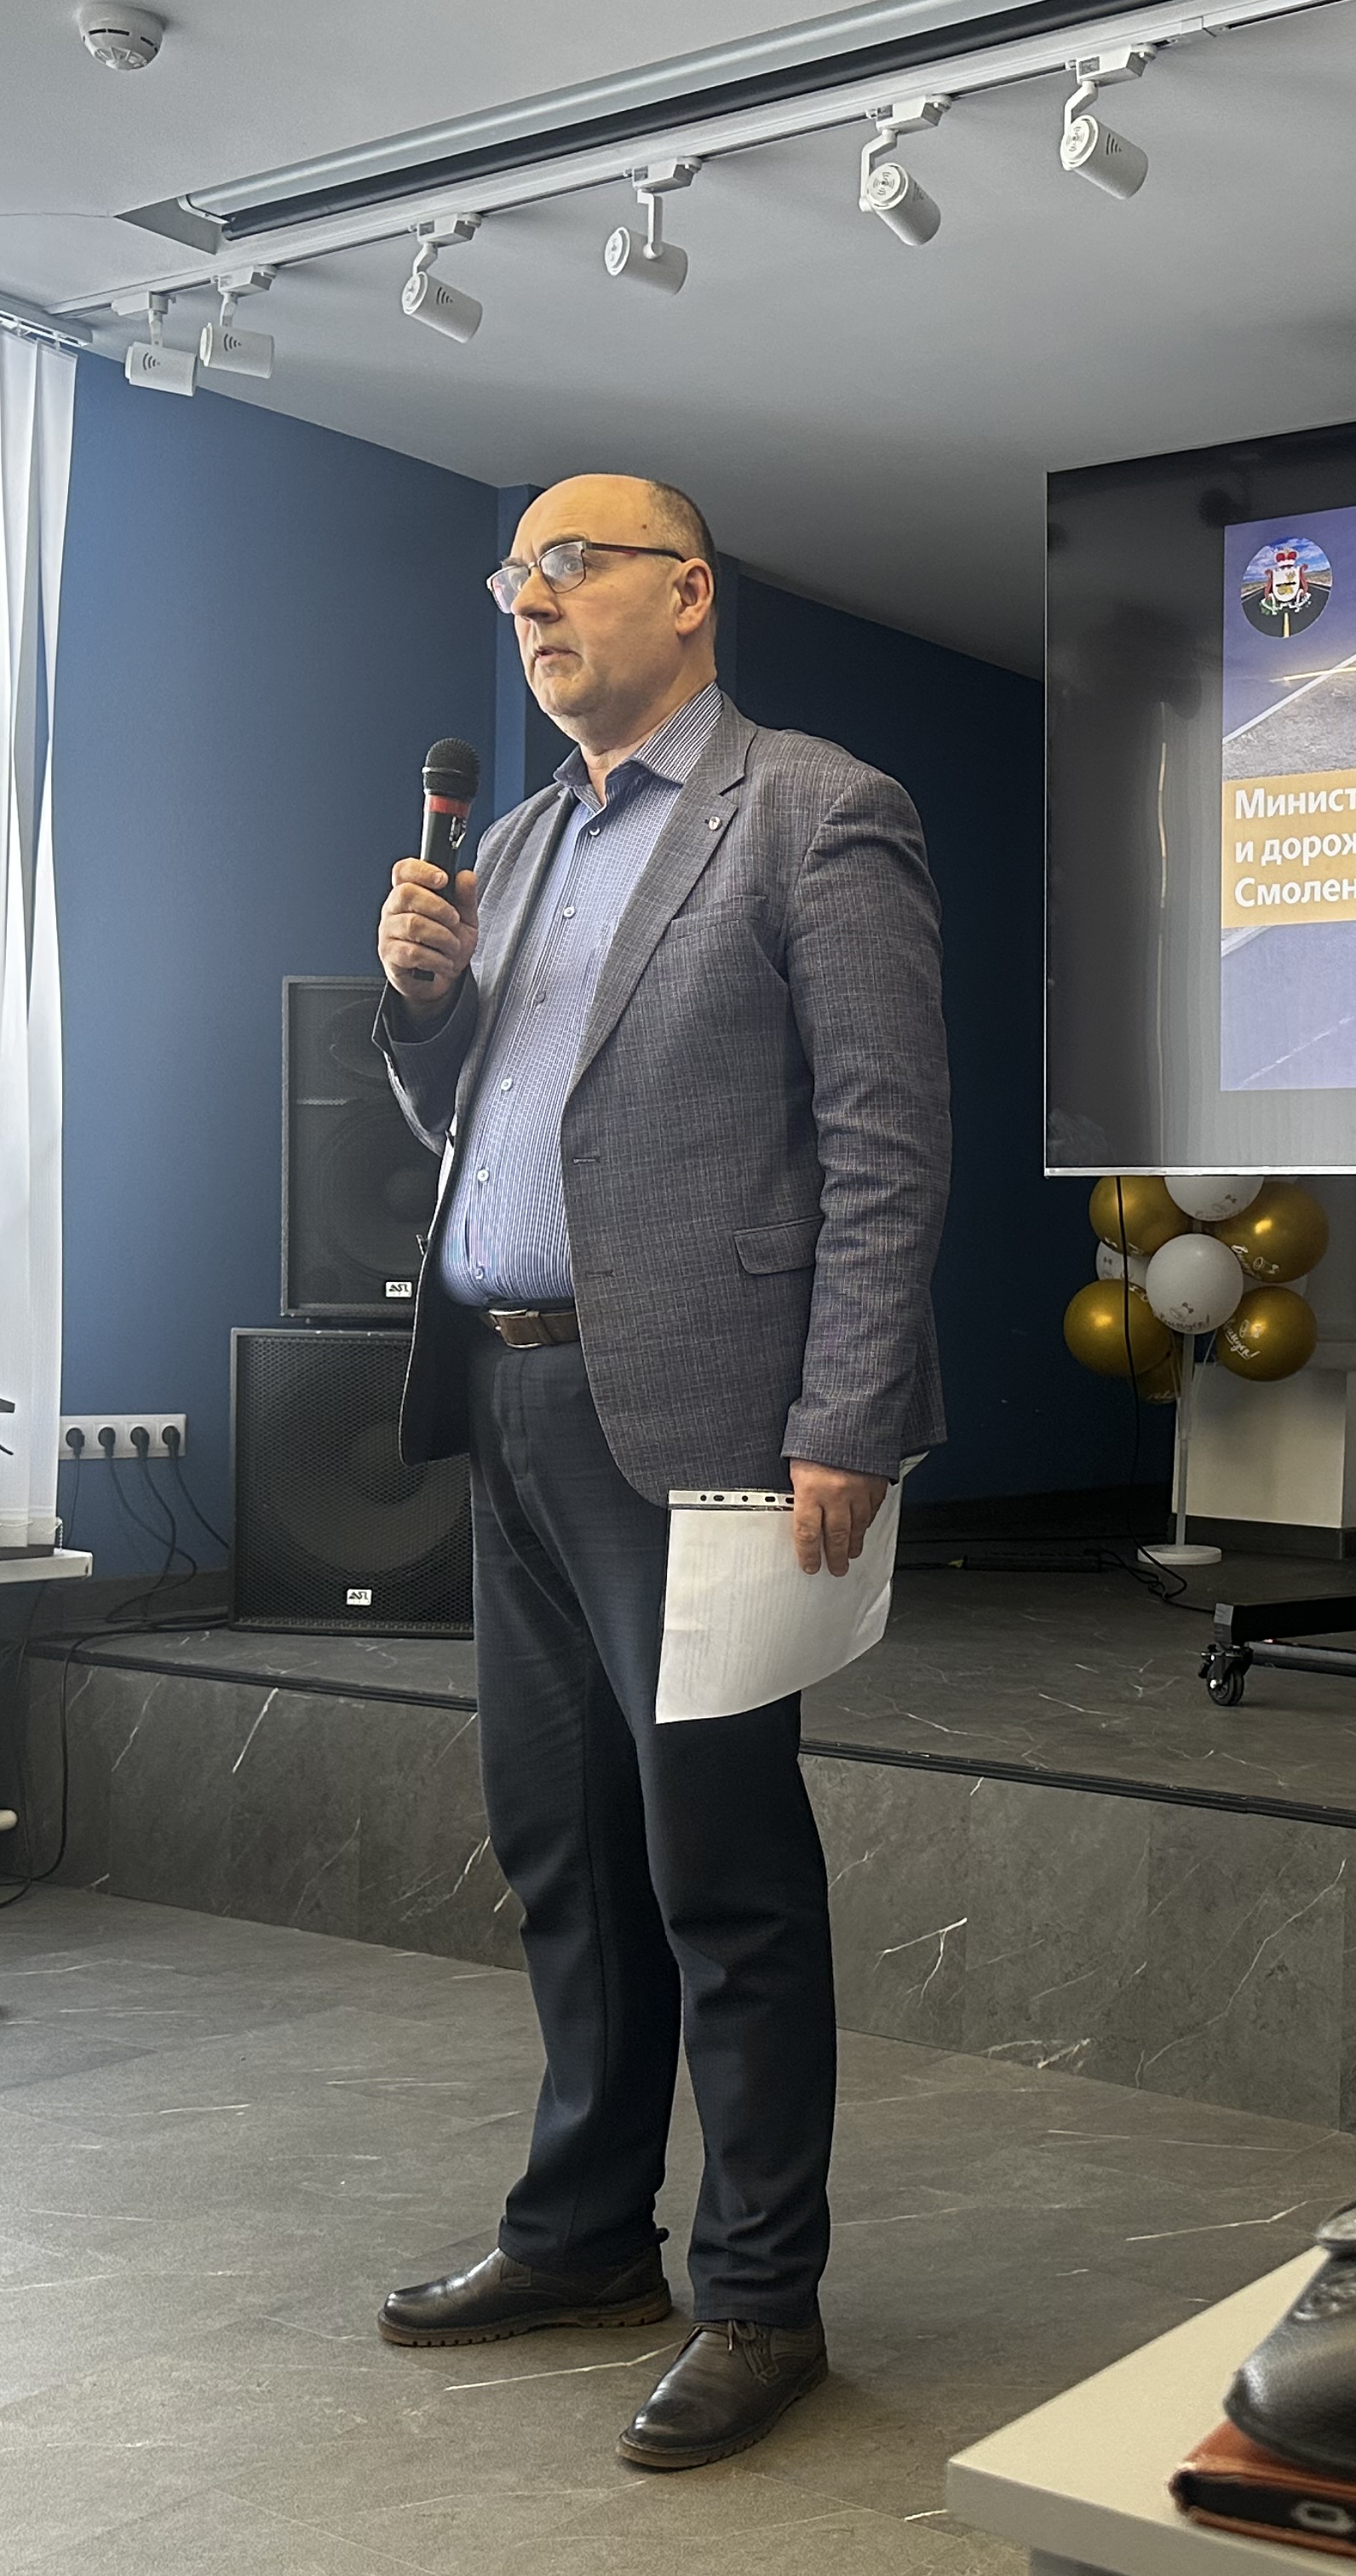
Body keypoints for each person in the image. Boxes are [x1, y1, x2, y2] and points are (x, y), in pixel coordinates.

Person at [368, 474, 947, 2470]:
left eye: (570, 566)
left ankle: (762, 2296)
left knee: (721, 1873)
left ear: (685, 593)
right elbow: (478, 1113)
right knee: (563, 1854)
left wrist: (848, 1414)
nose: (530, 603)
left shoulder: (815, 811)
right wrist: (422, 1011)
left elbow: (887, 1138)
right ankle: (582, 2237)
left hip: (705, 1426)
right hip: (512, 1402)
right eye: (513, 577)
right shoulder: (522, 840)